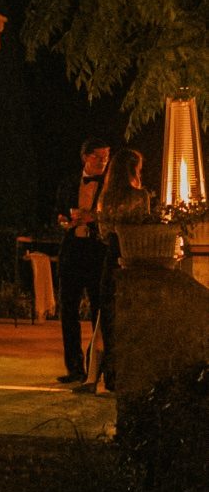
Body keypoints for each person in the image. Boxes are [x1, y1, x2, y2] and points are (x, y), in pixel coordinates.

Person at [92, 145, 153, 394]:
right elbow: (145, 227)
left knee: (110, 317)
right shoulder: (140, 197)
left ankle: (112, 375)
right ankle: (132, 372)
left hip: (111, 257)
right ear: (133, 170)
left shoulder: (106, 197)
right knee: (134, 316)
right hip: (133, 258)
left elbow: (104, 232)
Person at [55, 139, 112, 385]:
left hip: (98, 252)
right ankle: (74, 368)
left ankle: (98, 368)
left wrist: (92, 217)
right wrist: (65, 221)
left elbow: (113, 214)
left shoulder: (110, 184)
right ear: (85, 158)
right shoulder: (69, 182)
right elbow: (58, 211)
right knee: (68, 311)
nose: (103, 161)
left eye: (106, 156)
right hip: (72, 251)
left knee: (100, 311)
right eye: (98, 157)